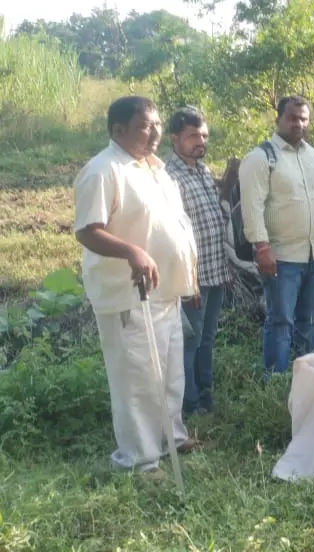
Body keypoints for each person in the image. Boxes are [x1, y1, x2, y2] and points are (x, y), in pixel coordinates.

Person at [73, 96, 198, 471]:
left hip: (166, 291)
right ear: (118, 130)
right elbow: (87, 230)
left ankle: (170, 438)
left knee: (170, 374)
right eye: (146, 125)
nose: (156, 131)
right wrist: (132, 252)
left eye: (158, 123)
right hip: (130, 296)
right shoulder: (103, 170)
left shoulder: (155, 169)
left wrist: (187, 278)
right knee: (137, 380)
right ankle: (140, 460)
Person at [239, 96, 314, 375]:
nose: (299, 124)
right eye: (292, 118)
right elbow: (252, 207)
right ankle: (277, 380)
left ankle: (308, 378)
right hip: (282, 257)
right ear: (279, 120)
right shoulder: (261, 157)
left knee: (311, 319)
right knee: (281, 321)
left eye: (304, 118)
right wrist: (262, 248)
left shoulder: (313, 156)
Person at [164, 107, 231, 416]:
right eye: (192, 136)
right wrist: (187, 281)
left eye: (203, 135)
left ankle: (206, 394)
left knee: (207, 338)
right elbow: (172, 234)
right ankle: (188, 403)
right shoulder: (169, 177)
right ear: (174, 137)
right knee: (188, 342)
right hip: (192, 276)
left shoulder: (202, 170)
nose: (199, 141)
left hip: (216, 270)